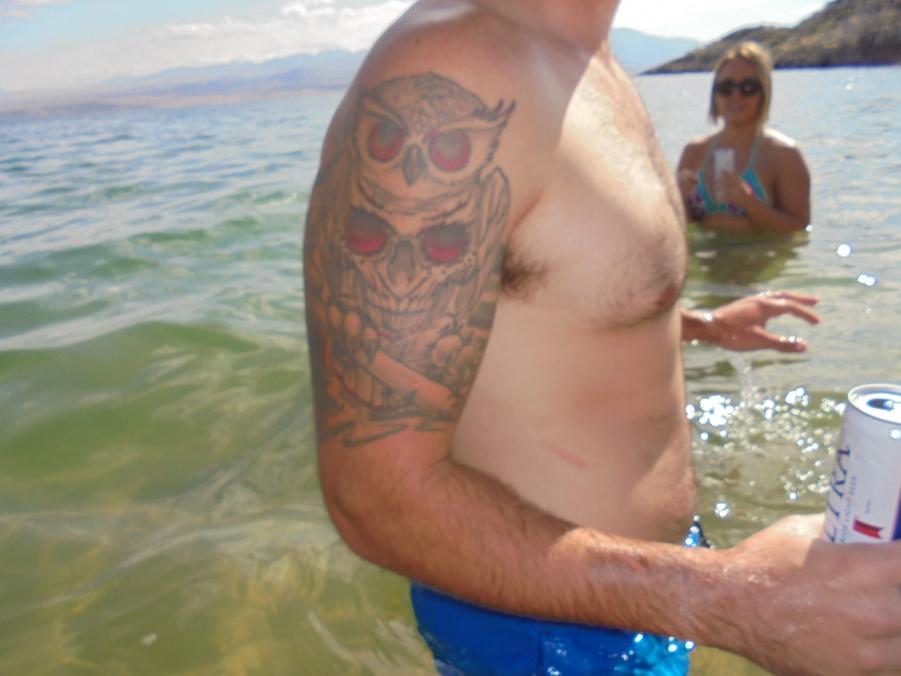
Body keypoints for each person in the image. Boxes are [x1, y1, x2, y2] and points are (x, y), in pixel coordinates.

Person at [303, 1, 901, 674]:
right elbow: (377, 496)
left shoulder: (591, 62)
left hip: (654, 590)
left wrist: (698, 324)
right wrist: (739, 599)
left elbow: (556, 296)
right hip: (547, 633)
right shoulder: (457, 70)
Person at [677, 42, 811, 234]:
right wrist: (678, 200)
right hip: (706, 252)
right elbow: (683, 226)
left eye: (748, 88)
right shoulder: (694, 152)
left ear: (763, 93)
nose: (736, 96)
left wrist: (748, 203)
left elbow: (799, 229)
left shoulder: (784, 155)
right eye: (726, 88)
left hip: (761, 253)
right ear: (715, 94)